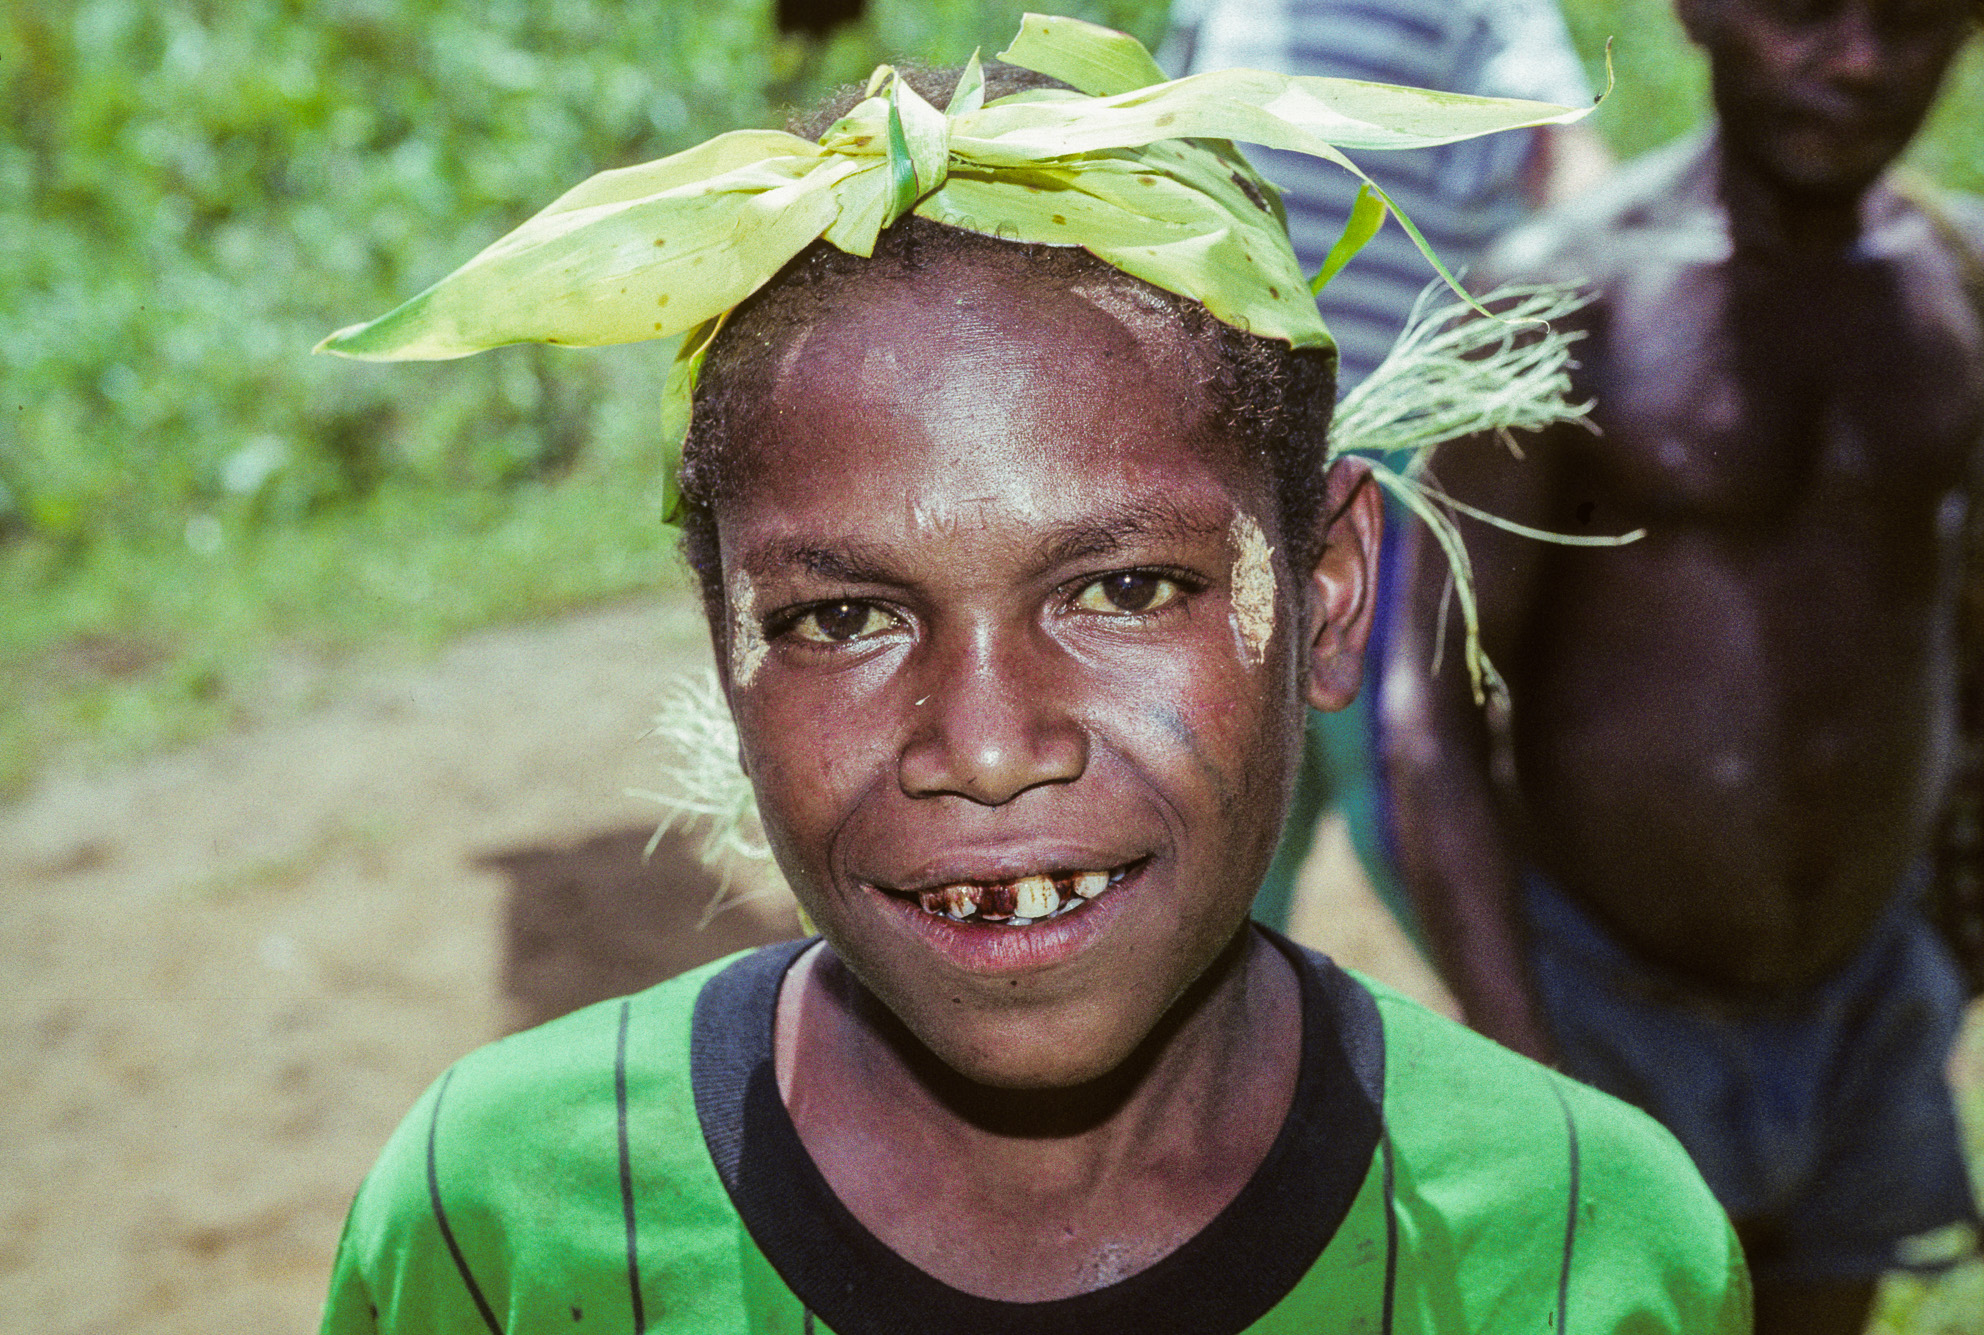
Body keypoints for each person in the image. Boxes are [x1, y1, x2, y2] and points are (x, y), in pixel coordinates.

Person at [313, 18, 1749, 1332]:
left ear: (1325, 596)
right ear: (725, 650)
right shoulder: (500, 1228)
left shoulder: (1592, 1251)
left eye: (1123, 589)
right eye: (841, 616)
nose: (988, 747)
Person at [1384, 0, 1984, 1329]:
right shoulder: (1554, 295)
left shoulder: (1954, 282)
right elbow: (1430, 712)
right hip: (1608, 994)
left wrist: (1947, 942)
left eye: (1914, 22)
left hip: (1860, 985)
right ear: (1701, 12)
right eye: (1802, 13)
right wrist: (1526, 1071)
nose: (1858, 60)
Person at [1164, 0, 1610, 936]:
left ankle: (1558, 1042)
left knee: (1400, 798)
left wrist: (1628, 316)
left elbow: (1568, 172)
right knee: (1225, 795)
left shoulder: (1473, 14)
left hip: (1393, 475)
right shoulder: (1220, 9)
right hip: (1232, 466)